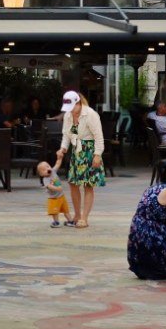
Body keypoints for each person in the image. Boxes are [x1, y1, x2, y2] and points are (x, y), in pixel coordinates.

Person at [54, 90, 106, 229]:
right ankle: (76, 215)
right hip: (76, 152)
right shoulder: (68, 116)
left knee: (88, 185)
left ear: (78, 103)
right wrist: (63, 149)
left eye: (72, 107)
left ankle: (84, 217)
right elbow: (66, 135)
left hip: (90, 150)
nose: (70, 111)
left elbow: (99, 137)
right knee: (73, 183)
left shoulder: (90, 114)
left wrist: (97, 155)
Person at [37, 161, 69, 228]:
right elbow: (49, 186)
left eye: (48, 166)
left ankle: (70, 221)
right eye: (44, 170)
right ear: (41, 174)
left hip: (61, 196)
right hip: (53, 198)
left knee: (66, 210)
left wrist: (59, 158)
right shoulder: (45, 179)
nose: (47, 169)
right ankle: (56, 222)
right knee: (55, 211)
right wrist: (57, 188)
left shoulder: (53, 171)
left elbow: (57, 164)